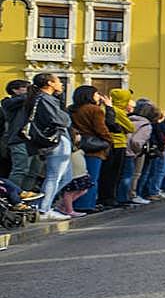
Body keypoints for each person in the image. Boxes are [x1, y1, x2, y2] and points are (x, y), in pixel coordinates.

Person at [26, 73, 73, 221]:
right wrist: (66, 117)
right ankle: (43, 209)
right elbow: (61, 119)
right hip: (56, 138)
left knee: (66, 177)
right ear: (49, 83)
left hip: (58, 138)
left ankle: (42, 204)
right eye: (58, 81)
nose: (61, 84)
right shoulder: (45, 99)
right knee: (54, 176)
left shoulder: (46, 98)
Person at [68, 86, 113, 213]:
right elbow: (101, 129)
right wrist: (109, 140)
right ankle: (87, 204)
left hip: (77, 145)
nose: (98, 96)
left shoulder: (71, 109)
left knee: (78, 177)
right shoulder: (94, 110)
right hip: (95, 147)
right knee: (92, 178)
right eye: (96, 93)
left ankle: (73, 204)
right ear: (90, 95)